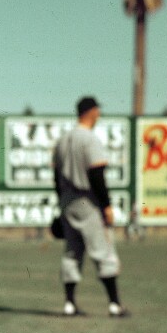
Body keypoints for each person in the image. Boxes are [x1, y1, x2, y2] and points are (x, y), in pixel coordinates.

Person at [52, 97, 129, 318]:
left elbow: (56, 178)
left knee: (71, 253)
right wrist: (106, 206)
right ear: (92, 111)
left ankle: (69, 304)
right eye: (98, 110)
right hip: (88, 202)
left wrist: (61, 204)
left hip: (68, 201)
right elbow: (96, 175)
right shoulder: (89, 139)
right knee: (103, 252)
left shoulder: (62, 140)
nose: (99, 114)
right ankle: (114, 304)